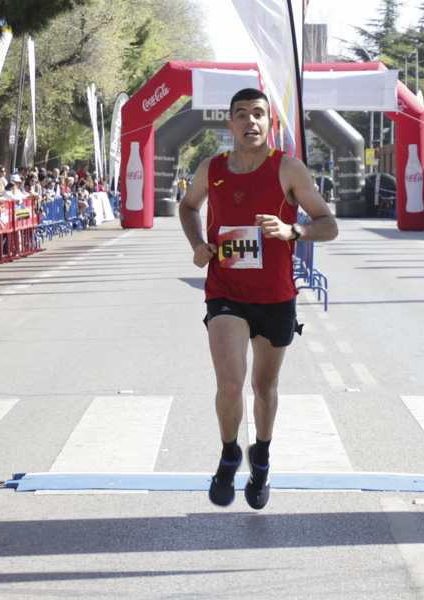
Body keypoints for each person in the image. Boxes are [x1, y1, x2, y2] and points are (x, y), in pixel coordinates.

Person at [179, 88, 338, 510]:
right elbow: (188, 207)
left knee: (263, 387)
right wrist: (198, 243)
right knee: (230, 384)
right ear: (230, 124)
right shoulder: (210, 169)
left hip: (275, 296)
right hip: (226, 292)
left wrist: (294, 231)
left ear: (270, 124)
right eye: (241, 115)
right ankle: (230, 452)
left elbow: (329, 224)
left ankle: (261, 458)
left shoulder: (288, 169)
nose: (250, 122)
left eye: (258, 115)